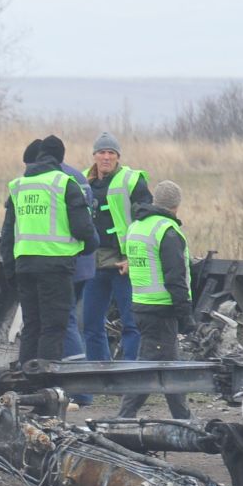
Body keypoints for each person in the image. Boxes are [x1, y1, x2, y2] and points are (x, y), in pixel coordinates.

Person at [0, 136, 97, 364]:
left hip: (24, 267)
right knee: (53, 327)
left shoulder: (18, 186)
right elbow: (84, 229)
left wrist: (10, 271)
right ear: (60, 158)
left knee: (32, 325)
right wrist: (88, 247)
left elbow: (7, 235)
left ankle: (25, 382)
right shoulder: (64, 183)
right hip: (56, 267)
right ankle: (44, 387)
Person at [119, 180, 194, 420]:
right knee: (155, 369)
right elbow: (175, 277)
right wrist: (186, 315)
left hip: (142, 305)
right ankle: (123, 418)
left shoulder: (137, 226)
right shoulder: (167, 231)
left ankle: (183, 418)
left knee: (163, 365)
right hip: (162, 308)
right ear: (176, 205)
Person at [82, 131, 153, 362]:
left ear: (118, 156)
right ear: (94, 155)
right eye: (101, 152)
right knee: (91, 324)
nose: (106, 157)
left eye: (111, 153)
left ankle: (129, 375)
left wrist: (133, 258)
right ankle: (99, 374)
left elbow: (146, 222)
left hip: (124, 263)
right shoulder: (83, 181)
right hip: (94, 263)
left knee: (131, 324)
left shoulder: (132, 180)